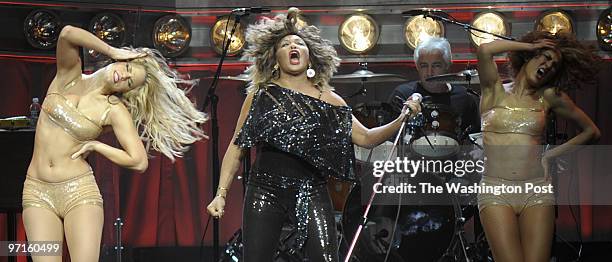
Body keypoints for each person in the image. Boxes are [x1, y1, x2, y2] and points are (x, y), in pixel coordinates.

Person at [206, 8, 419, 262]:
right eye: (285, 44)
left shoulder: (328, 100)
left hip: (311, 190)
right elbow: (236, 147)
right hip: (264, 189)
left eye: (299, 43)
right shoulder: (261, 96)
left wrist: (401, 118)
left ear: (310, 57)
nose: (293, 46)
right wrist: (221, 194)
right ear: (275, 58)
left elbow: (366, 137)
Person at [23, 25, 207, 262]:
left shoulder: (113, 109)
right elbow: (68, 33)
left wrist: (97, 147)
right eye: (128, 68)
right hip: (37, 191)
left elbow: (139, 161)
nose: (125, 76)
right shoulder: (68, 76)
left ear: (128, 91)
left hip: (79, 194)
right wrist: (113, 50)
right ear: (121, 61)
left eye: (130, 82)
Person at [477, 31, 600, 261]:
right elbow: (485, 50)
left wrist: (549, 155)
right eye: (544, 57)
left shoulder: (548, 97)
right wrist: (527, 45)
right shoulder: (494, 89)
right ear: (529, 56)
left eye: (554, 65)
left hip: (536, 192)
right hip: (495, 192)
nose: (548, 65)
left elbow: (592, 132)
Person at [387, 37, 481, 143]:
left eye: (436, 65)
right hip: (411, 158)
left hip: (454, 158)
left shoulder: (465, 97)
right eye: (424, 66)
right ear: (417, 66)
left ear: (448, 65)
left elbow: (475, 138)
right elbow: (388, 139)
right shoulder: (402, 95)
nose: (429, 72)